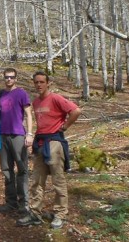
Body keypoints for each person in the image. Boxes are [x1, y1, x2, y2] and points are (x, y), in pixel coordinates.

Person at [17, 71, 81, 229]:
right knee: (37, 180)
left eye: (41, 82)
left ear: (48, 83)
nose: (39, 85)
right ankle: (35, 213)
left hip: (54, 142)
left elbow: (76, 111)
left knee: (58, 180)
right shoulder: (36, 102)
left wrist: (64, 127)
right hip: (40, 143)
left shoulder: (56, 98)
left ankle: (60, 214)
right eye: (36, 82)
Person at [0, 68, 33, 214]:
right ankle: (11, 202)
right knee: (6, 169)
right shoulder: (1, 94)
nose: (9, 80)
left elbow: (29, 114)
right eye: (6, 77)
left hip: (18, 134)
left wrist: (29, 134)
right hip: (3, 135)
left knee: (22, 169)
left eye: (11, 77)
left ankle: (24, 203)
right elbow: (2, 114)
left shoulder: (21, 93)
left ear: (15, 78)